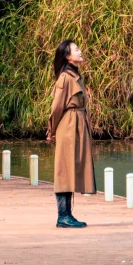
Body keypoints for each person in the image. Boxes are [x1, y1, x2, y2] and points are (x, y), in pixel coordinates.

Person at [46, 37, 95, 228]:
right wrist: (52, 130)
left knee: (72, 170)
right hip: (68, 126)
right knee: (64, 171)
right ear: (67, 56)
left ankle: (68, 215)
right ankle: (63, 216)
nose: (80, 51)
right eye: (76, 49)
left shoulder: (75, 75)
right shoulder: (65, 78)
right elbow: (57, 107)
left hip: (78, 124)